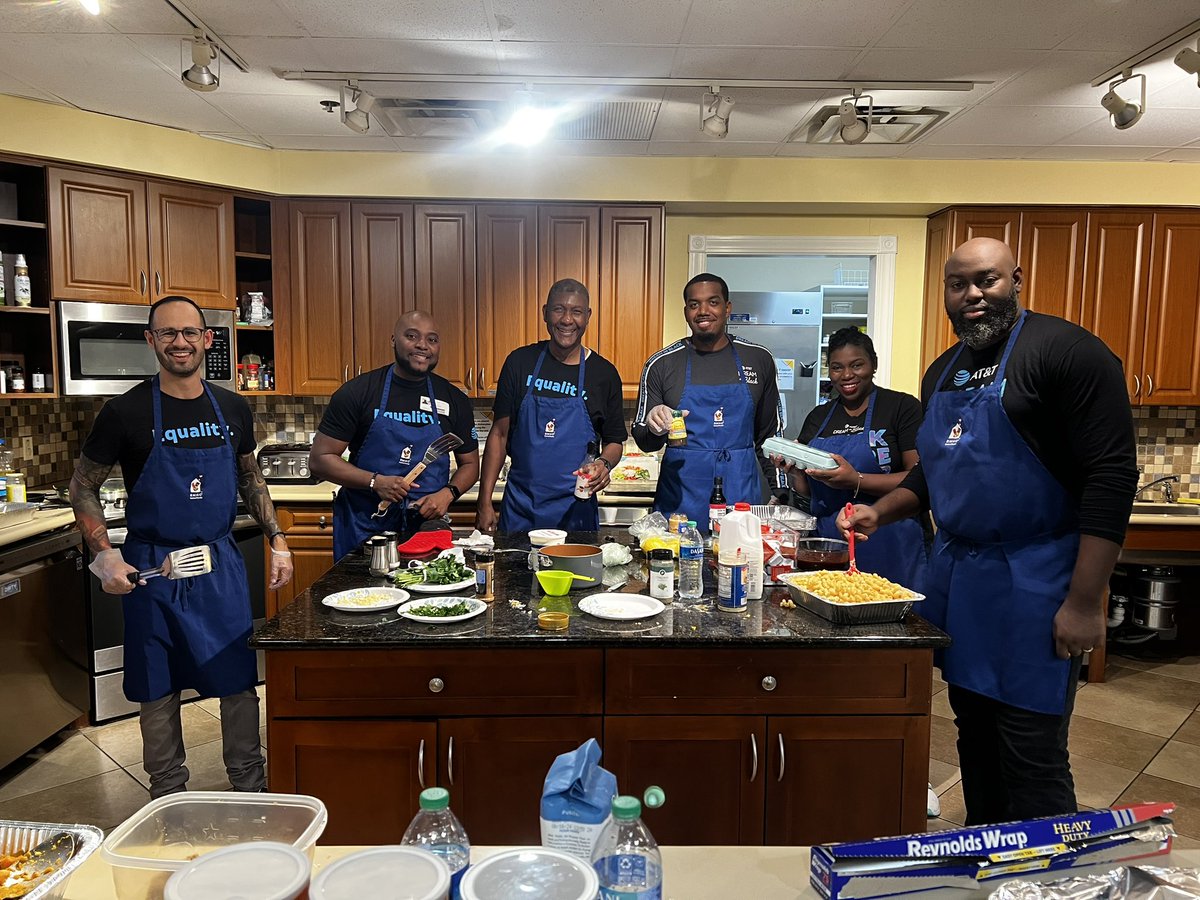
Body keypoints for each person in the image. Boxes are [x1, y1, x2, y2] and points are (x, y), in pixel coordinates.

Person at [841, 238, 1137, 826]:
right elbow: (937, 471)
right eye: (959, 284)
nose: (974, 294)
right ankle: (988, 858)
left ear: (1015, 279)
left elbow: (1111, 478)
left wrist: (1084, 601)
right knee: (973, 736)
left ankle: (1051, 880)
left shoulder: (1066, 352)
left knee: (1030, 746)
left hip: (1037, 580)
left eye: (988, 280)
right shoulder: (942, 370)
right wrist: (886, 510)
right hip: (962, 579)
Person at [71, 295, 294, 798]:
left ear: (207, 340)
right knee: (156, 685)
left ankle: (249, 787)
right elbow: (82, 486)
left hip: (219, 567)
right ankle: (168, 795)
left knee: (238, 681)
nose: (180, 342)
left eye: (190, 332)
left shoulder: (232, 407)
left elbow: (250, 478)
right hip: (152, 566)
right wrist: (104, 552)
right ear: (151, 340)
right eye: (168, 333)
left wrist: (277, 539)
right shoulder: (124, 412)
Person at [310, 311, 480, 561]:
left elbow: (470, 464)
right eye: (412, 336)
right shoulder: (359, 392)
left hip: (426, 528)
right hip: (365, 525)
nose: (423, 345)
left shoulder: (454, 399)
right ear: (393, 340)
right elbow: (320, 459)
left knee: (429, 597)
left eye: (432, 339)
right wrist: (375, 482)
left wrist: (448, 494)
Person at [773, 327, 927, 589]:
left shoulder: (901, 407)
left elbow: (919, 477)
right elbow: (808, 492)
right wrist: (795, 472)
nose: (846, 376)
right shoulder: (819, 417)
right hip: (832, 542)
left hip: (890, 538)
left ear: (873, 364)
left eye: (857, 365)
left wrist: (855, 480)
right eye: (836, 367)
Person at [632, 272, 783, 533]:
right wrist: (655, 428)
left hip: (741, 501)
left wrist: (781, 491)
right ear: (686, 311)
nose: (703, 311)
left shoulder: (759, 359)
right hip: (679, 503)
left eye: (713, 302)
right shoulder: (661, 364)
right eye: (694, 304)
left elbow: (770, 436)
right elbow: (645, 440)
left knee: (739, 568)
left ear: (727, 308)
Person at [476, 279, 626, 534]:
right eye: (559, 309)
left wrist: (604, 463)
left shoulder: (604, 374)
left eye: (576, 312)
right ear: (545, 312)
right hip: (520, 510)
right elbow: (499, 435)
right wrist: (484, 501)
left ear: (587, 316)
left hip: (576, 512)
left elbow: (615, 442)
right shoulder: (519, 362)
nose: (567, 320)